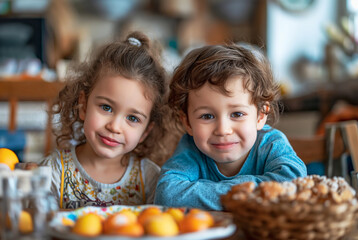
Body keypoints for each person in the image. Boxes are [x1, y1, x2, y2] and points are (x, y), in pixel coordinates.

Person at [154, 43, 307, 210]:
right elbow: (167, 194)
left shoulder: (271, 144)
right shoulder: (190, 148)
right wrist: (250, 194)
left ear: (261, 115)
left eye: (237, 114)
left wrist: (214, 194)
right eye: (207, 116)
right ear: (188, 123)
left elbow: (293, 183)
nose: (223, 130)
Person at [40, 31, 170, 209]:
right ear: (84, 106)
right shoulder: (53, 172)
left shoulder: (151, 180)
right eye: (106, 107)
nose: (114, 127)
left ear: (145, 131)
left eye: (132, 118)